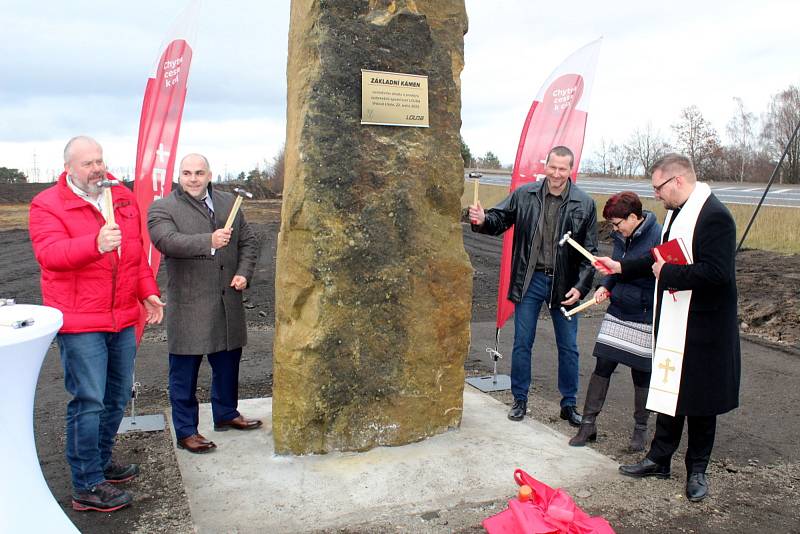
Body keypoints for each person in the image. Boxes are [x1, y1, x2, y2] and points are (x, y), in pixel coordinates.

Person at [593, 154, 740, 503]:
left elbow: (718, 274)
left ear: (677, 181)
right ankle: (660, 458)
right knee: (669, 393)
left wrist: (668, 275)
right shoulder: (677, 212)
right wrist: (621, 267)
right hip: (677, 319)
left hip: (705, 327)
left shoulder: (715, 216)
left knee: (701, 402)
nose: (656, 195)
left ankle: (697, 471)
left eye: (658, 187)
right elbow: (658, 258)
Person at [29, 136, 165, 512]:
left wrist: (147, 292)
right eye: (88, 163)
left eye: (100, 160)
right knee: (88, 400)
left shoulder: (120, 197)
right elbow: (50, 255)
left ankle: (101, 463)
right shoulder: (47, 205)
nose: (97, 168)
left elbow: (134, 254)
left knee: (117, 395)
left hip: (121, 315)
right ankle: (86, 485)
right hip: (79, 320)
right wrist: (95, 243)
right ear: (68, 168)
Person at [469, 146, 599, 425]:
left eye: (562, 169)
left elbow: (590, 253)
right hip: (530, 280)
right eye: (552, 167)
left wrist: (581, 286)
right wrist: (482, 221)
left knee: (569, 346)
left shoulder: (584, 204)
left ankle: (569, 404)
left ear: (570, 170)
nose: (556, 173)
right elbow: (498, 219)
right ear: (546, 165)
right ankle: (520, 399)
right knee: (522, 343)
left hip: (564, 284)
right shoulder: (524, 195)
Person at [148, 153, 261, 454]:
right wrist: (208, 241)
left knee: (228, 365)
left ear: (209, 174)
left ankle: (226, 413)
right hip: (190, 305)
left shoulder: (228, 203)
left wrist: (243, 273)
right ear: (179, 176)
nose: (193, 179)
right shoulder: (163, 208)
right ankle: (186, 431)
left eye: (199, 173)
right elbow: (167, 241)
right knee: (184, 373)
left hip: (227, 302)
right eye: (187, 173)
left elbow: (248, 241)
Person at [569, 192, 661, 451]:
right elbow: (614, 267)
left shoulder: (659, 235)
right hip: (618, 308)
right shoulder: (622, 234)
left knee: (642, 372)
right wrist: (606, 285)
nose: (614, 229)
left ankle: (640, 431)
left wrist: (618, 271)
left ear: (634, 217)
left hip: (644, 311)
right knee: (603, 364)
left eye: (618, 223)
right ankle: (588, 425)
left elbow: (646, 267)